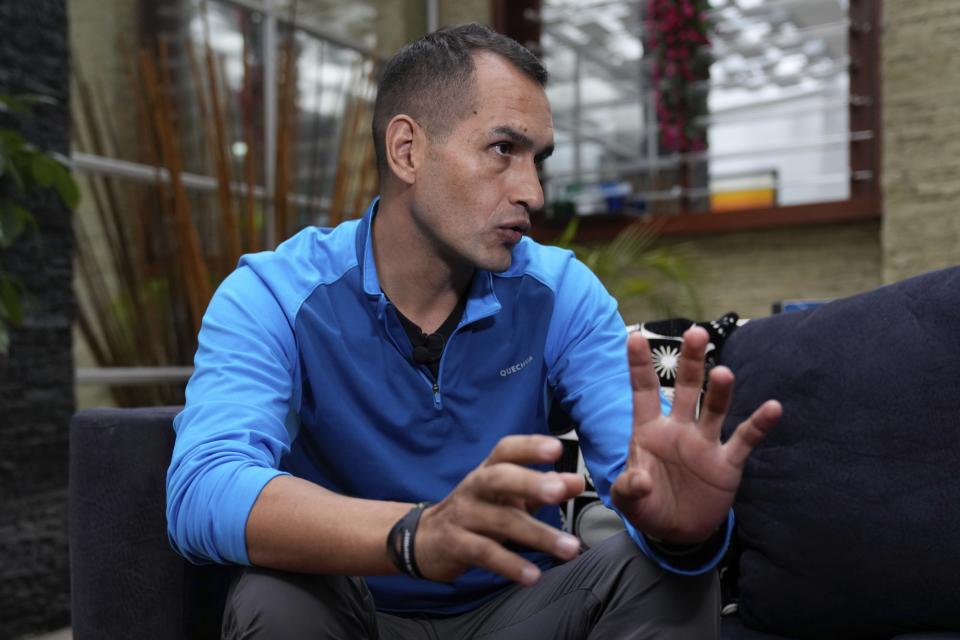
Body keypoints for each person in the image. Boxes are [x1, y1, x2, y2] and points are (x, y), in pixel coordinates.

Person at [166, 22, 781, 640]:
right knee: (275, 595)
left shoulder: (559, 292)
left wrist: (681, 530)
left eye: (537, 159)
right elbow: (204, 487)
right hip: (356, 613)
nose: (533, 191)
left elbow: (637, 456)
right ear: (407, 150)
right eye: (502, 150)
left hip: (520, 612)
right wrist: (415, 535)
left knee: (659, 570)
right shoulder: (273, 295)